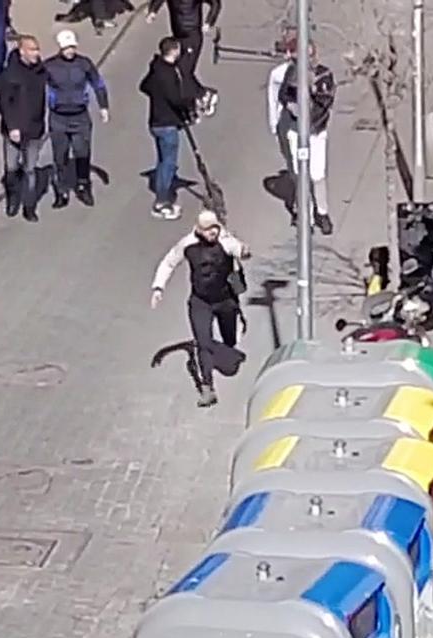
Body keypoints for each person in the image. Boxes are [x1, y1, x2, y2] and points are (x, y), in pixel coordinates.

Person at [150, 210, 250, 408]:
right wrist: (158, 287)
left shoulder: (226, 240)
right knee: (202, 343)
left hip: (225, 300)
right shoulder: (187, 244)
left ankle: (226, 347)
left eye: (214, 227)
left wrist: (244, 251)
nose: (212, 232)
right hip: (200, 301)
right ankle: (207, 388)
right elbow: (169, 263)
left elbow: (239, 250)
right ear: (199, 229)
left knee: (229, 341)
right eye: (208, 229)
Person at [44, 30, 110, 208]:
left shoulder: (84, 64)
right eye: (66, 48)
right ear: (60, 48)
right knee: (60, 156)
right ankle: (61, 191)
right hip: (58, 117)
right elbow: (34, 86)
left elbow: (98, 84)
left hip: (80, 116)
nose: (70, 51)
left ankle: (83, 186)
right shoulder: (49, 66)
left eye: (72, 47)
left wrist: (104, 106)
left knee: (82, 153)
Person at [277, 40, 336, 234]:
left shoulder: (323, 75)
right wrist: (291, 106)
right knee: (301, 175)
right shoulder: (292, 73)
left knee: (317, 174)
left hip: (316, 132)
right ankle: (306, 217)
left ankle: (322, 212)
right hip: (296, 131)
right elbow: (283, 94)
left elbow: (325, 103)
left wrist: (308, 116)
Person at [140, 37, 198, 220]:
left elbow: (144, 86)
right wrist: (189, 106)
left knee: (162, 159)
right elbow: (175, 98)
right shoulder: (168, 73)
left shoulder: (156, 69)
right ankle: (161, 201)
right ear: (173, 51)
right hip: (167, 123)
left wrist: (158, 98)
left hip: (155, 122)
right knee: (169, 162)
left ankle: (162, 188)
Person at [0, 34, 47, 222]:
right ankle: (12, 199)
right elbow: (3, 103)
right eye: (32, 50)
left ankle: (29, 206)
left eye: (37, 49)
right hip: (14, 131)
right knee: (11, 168)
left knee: (30, 169)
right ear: (22, 51)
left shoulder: (41, 71)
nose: (37, 53)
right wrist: (12, 127)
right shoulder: (10, 74)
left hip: (35, 129)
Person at [145, 0, 221, 117]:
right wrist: (153, 11)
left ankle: (204, 95)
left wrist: (209, 22)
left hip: (192, 35)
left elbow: (215, 3)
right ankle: (195, 99)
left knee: (184, 71)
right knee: (179, 71)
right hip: (178, 35)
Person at [266, 32, 297, 172]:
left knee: (291, 157)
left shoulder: (278, 74)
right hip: (293, 121)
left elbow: (273, 100)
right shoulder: (278, 74)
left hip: (287, 122)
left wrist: (274, 124)